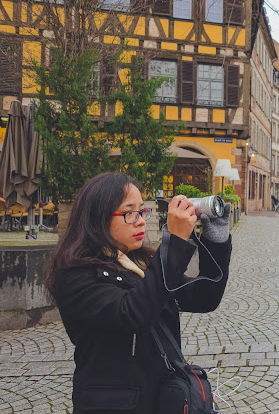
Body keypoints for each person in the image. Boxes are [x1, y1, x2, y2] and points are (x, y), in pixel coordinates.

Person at [46, 172, 232, 413]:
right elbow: (132, 314)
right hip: (113, 404)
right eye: (129, 212)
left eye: (142, 211)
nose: (141, 220)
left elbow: (204, 297)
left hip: (161, 397)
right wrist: (173, 241)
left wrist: (216, 238)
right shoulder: (75, 274)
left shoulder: (140, 263)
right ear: (97, 219)